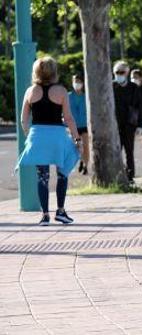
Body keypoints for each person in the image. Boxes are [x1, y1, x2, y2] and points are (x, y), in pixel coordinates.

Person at [17, 57, 80, 225]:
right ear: (54, 71)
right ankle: (60, 211)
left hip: (37, 135)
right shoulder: (61, 91)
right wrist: (77, 138)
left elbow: (23, 119)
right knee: (62, 172)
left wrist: (28, 134)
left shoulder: (31, 91)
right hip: (58, 136)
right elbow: (68, 118)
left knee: (42, 176)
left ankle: (45, 215)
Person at [113, 61, 142, 183]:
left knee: (129, 151)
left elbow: (139, 106)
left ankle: (130, 176)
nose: (119, 74)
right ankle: (117, 175)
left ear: (127, 73)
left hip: (129, 124)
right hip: (114, 125)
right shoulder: (111, 86)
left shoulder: (133, 88)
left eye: (122, 72)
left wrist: (139, 125)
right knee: (116, 151)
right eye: (117, 72)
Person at [68, 74, 89, 175]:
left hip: (85, 125)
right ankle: (80, 160)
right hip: (73, 126)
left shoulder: (86, 96)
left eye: (79, 82)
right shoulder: (68, 96)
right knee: (76, 146)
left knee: (85, 145)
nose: (77, 84)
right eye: (75, 81)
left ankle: (85, 165)